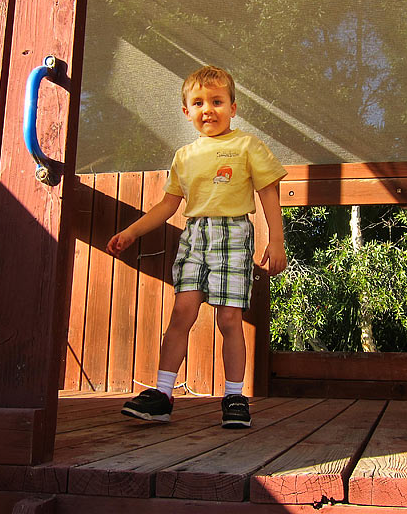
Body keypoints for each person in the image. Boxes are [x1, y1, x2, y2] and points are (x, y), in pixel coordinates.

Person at [106, 65, 287, 428]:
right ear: (186, 111)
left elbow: (269, 192)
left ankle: (235, 396)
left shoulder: (247, 145)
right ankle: (162, 395)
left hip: (233, 236)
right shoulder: (184, 156)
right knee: (182, 312)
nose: (209, 109)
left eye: (218, 101)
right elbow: (167, 206)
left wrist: (276, 240)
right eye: (199, 102)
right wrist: (131, 233)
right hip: (195, 236)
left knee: (229, 318)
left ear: (233, 108)